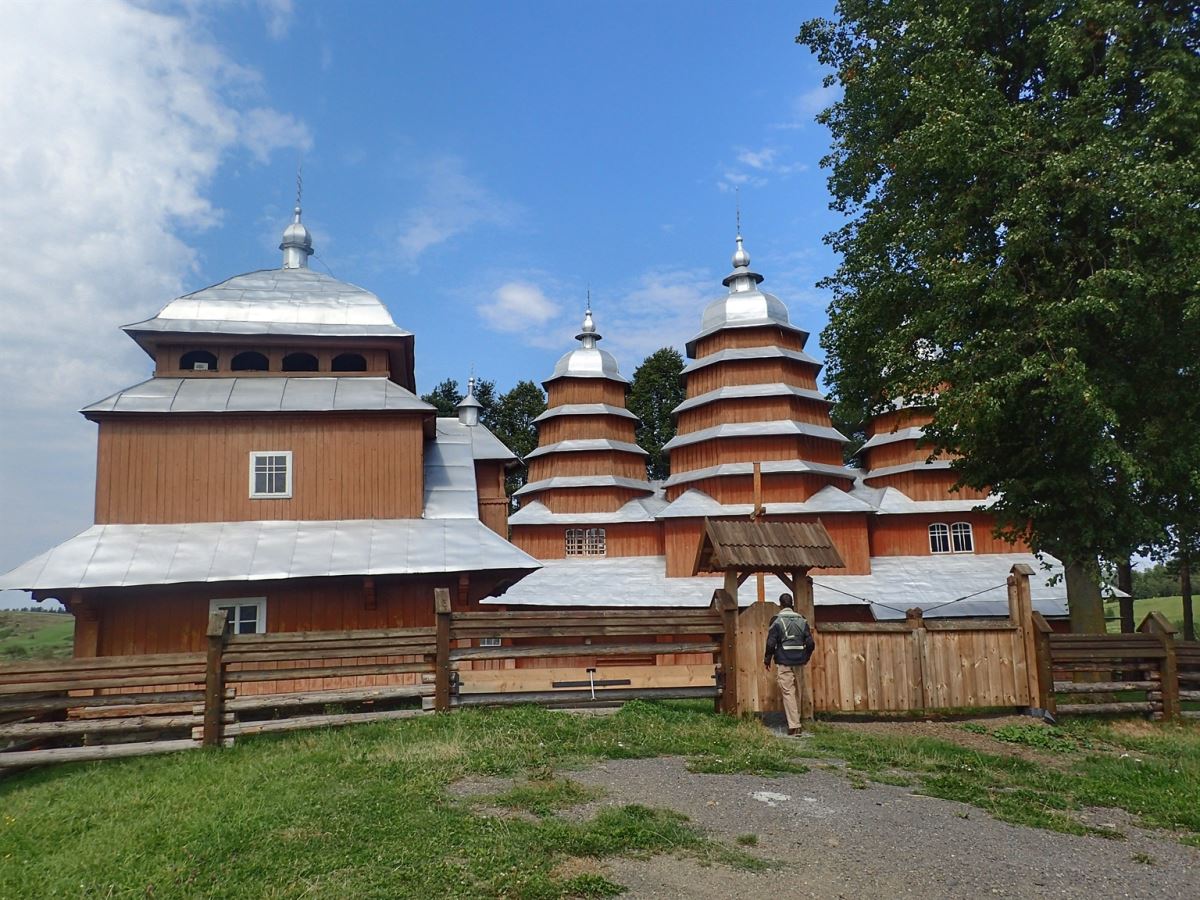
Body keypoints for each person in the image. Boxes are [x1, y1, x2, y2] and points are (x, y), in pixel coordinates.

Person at [763, 592, 815, 736]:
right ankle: (797, 721)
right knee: (798, 691)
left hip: (784, 660)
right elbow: (810, 643)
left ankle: (794, 725)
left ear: (780, 604)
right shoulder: (802, 620)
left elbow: (771, 643)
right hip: (799, 660)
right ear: (792, 604)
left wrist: (767, 659)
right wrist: (806, 656)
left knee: (788, 692)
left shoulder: (776, 620)